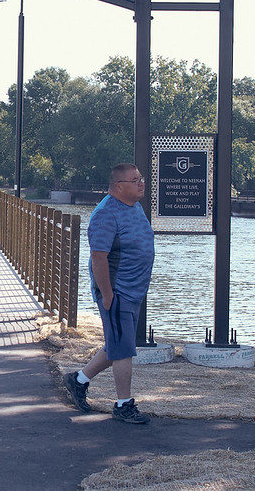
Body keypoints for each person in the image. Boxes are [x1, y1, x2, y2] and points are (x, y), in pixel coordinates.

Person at [63, 162, 154, 424]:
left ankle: (78, 380)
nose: (141, 183)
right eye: (134, 180)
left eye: (141, 178)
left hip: (134, 290)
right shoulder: (105, 214)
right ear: (117, 186)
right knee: (123, 349)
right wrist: (107, 295)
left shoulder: (134, 207)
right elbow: (98, 257)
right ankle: (123, 404)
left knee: (118, 344)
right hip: (117, 292)